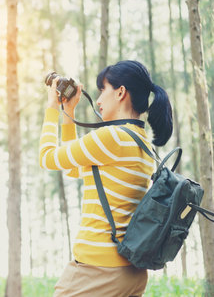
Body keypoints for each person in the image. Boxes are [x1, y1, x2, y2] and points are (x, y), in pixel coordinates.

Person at [39, 60, 173, 297]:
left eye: (103, 90)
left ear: (120, 92)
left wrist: (52, 106)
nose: (99, 100)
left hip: (97, 271)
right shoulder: (141, 142)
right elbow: (73, 169)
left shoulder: (111, 137)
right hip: (130, 272)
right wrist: (68, 113)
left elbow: (47, 157)